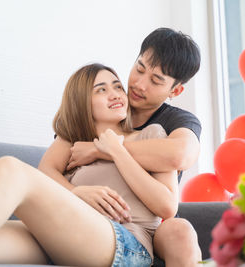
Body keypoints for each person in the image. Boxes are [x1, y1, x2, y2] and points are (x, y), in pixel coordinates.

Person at [0, 63, 178, 267]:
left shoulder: (150, 135)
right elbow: (46, 173)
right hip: (67, 241)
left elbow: (168, 206)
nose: (115, 94)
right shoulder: (71, 143)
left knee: (11, 168)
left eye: (117, 86)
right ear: (81, 101)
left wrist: (117, 151)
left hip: (127, 246)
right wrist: (77, 192)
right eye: (101, 89)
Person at [42, 28, 203, 266]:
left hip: (154, 225)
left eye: (156, 80)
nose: (138, 84)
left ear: (175, 90)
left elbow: (180, 155)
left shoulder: (174, 121)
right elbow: (46, 170)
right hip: (94, 224)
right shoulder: (103, 108)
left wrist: (102, 149)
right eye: (139, 68)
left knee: (180, 231)